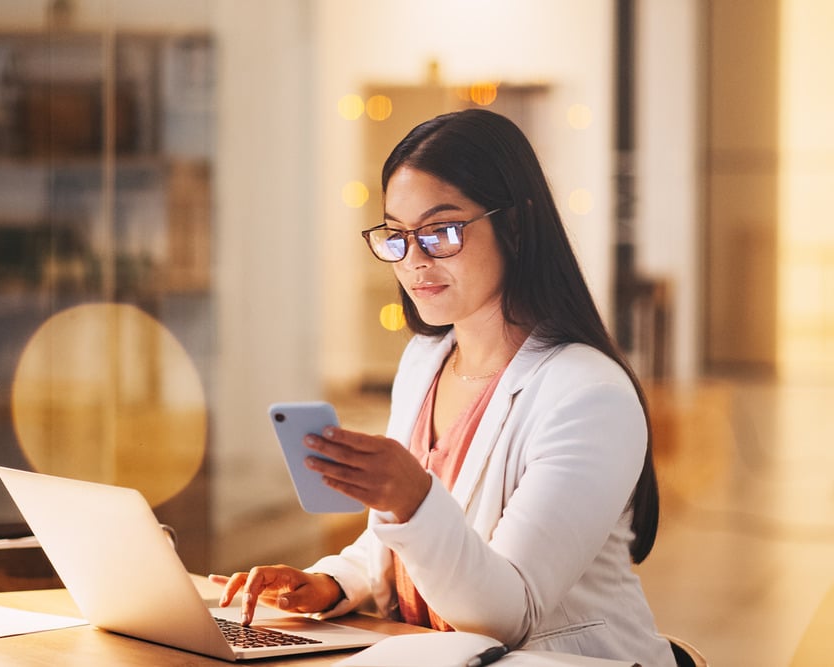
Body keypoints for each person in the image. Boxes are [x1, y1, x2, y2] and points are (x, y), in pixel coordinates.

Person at [212, 109, 675, 666]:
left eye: (441, 231)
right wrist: (331, 582)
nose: (414, 261)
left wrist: (411, 497)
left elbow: (509, 614)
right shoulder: (425, 360)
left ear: (517, 225)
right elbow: (399, 549)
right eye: (398, 236)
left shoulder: (588, 393)